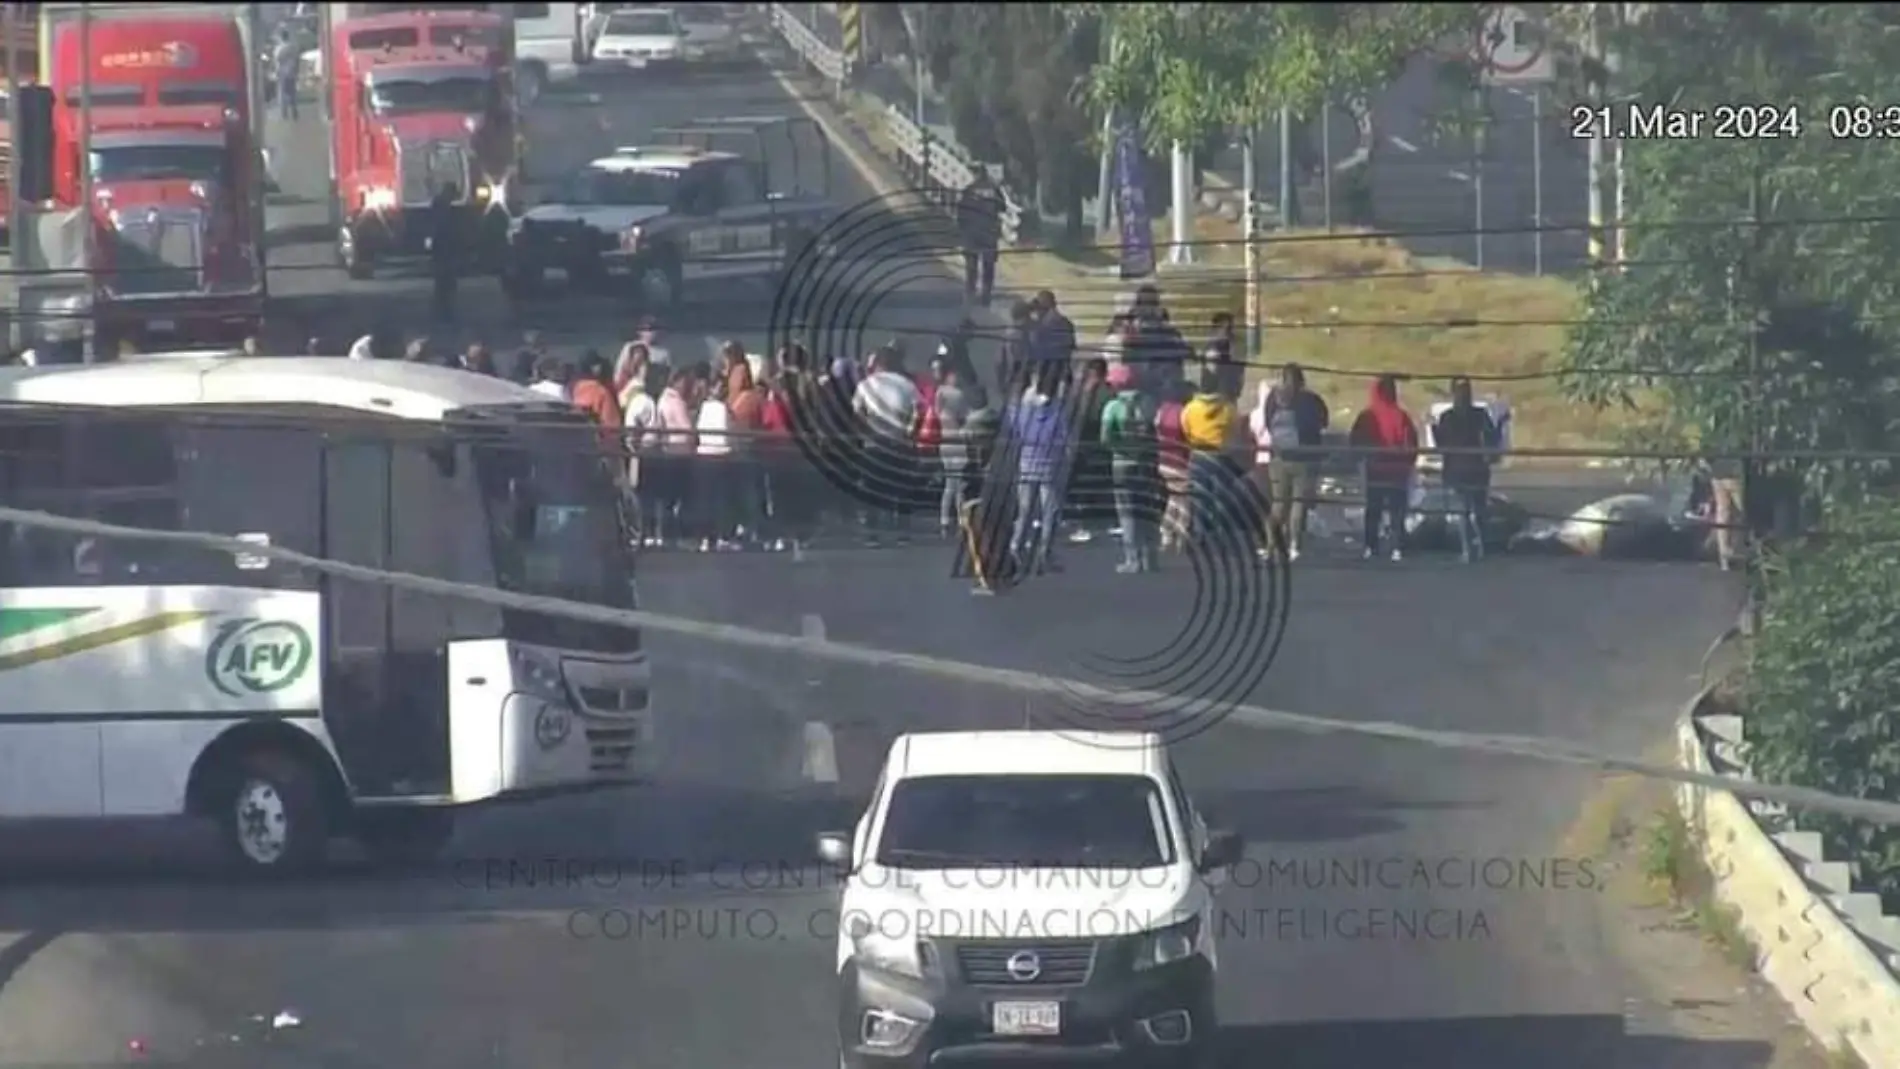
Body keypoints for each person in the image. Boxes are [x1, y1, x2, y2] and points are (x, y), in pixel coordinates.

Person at [1250, 363, 1330, 561]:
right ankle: (1294, 545)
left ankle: (1270, 545)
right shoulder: (1311, 400)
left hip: (1278, 457)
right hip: (1304, 458)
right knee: (1298, 504)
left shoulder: (1273, 399)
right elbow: (1323, 423)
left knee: (1278, 503)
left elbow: (1268, 424)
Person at [852, 345, 922, 545]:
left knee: (872, 487)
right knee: (902, 488)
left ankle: (871, 533)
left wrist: (865, 430)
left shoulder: (866, 385)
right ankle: (903, 532)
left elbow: (857, 411)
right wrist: (910, 429)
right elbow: (919, 409)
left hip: (874, 443)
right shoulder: (906, 384)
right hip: (901, 442)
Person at [1007, 364, 1072, 574]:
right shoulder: (1058, 412)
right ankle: (1045, 553)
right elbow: (1064, 440)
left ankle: (1016, 546)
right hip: (1050, 465)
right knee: (1049, 512)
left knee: (1025, 510)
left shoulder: (1023, 411)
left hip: (1026, 463)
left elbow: (1015, 430)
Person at [1349, 374, 1420, 561]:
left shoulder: (1367, 416)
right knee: (1397, 511)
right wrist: (1407, 462)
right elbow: (1411, 442)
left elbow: (1355, 441)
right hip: (1397, 471)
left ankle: (1371, 546)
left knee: (1374, 510)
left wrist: (1362, 458)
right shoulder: (1401, 416)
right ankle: (1397, 547)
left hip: (1376, 469)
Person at [1430, 376, 1501, 563]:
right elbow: (1492, 438)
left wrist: (1432, 427)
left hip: (1457, 469)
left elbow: (1441, 446)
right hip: (1476, 468)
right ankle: (1483, 548)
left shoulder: (1447, 417)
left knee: (1464, 510)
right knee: (1478, 509)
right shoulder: (1480, 414)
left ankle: (1468, 550)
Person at [1099, 364, 1160, 574]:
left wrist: (1121, 448)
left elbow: (1105, 438)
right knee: (1148, 511)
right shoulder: (1149, 403)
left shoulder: (1112, 407)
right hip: (1147, 464)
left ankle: (1132, 559)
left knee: (1127, 514)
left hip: (1122, 465)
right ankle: (1151, 557)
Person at [1180, 371, 1244, 550]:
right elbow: (1236, 431)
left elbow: (1185, 430)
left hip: (1198, 454)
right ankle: (1219, 534)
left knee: (1199, 498)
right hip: (1221, 456)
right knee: (1220, 497)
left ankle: (1199, 534)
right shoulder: (1228, 408)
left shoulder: (1191, 408)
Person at [694, 373, 738, 551]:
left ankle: (706, 537)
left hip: (704, 456)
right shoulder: (722, 408)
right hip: (720, 456)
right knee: (721, 499)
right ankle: (721, 536)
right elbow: (729, 430)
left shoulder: (702, 407)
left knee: (706, 498)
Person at [934, 360, 975, 538]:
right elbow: (967, 416)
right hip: (958, 443)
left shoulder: (939, 395)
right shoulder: (957, 395)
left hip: (945, 444)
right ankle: (961, 520)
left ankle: (944, 520)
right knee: (959, 486)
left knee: (949, 485)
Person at [956, 168, 1006, 307]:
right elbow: (1003, 207)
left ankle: (970, 293)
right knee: (988, 267)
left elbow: (960, 212)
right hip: (989, 233)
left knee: (971, 267)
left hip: (972, 233)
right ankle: (986, 295)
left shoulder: (969, 190)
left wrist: (962, 231)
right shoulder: (994, 190)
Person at [1155, 379, 1193, 551]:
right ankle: (1180, 534)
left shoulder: (1162, 410)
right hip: (1180, 461)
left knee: (1174, 497)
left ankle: (1166, 532)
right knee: (1184, 499)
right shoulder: (1184, 412)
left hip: (1164, 460)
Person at [571, 349, 626, 454]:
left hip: (574, 447)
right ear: (592, 367)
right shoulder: (600, 392)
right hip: (599, 449)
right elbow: (611, 425)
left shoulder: (570, 389)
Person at [426, 183, 461, 322]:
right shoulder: (444, 207)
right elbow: (444, 228)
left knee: (442, 282)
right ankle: (444, 312)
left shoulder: (438, 204)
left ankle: (441, 310)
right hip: (444, 249)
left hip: (440, 248)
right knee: (446, 282)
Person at [1029, 291, 1077, 379]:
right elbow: (1072, 346)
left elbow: (1034, 346)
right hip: (1062, 371)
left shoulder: (1043, 325)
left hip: (1047, 372)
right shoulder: (1066, 323)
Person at [1203, 312, 1242, 402]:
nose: (1231, 332)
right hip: (1215, 399)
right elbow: (1213, 375)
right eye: (1228, 329)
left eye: (1231, 328)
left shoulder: (1232, 347)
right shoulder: (1212, 350)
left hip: (1228, 396)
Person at [272, 29, 300, 120]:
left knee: (283, 93)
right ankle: (294, 111)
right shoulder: (293, 47)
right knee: (292, 93)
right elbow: (297, 59)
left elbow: (277, 60)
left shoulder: (279, 48)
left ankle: (284, 113)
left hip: (283, 73)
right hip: (291, 72)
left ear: (281, 37)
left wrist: (276, 72)